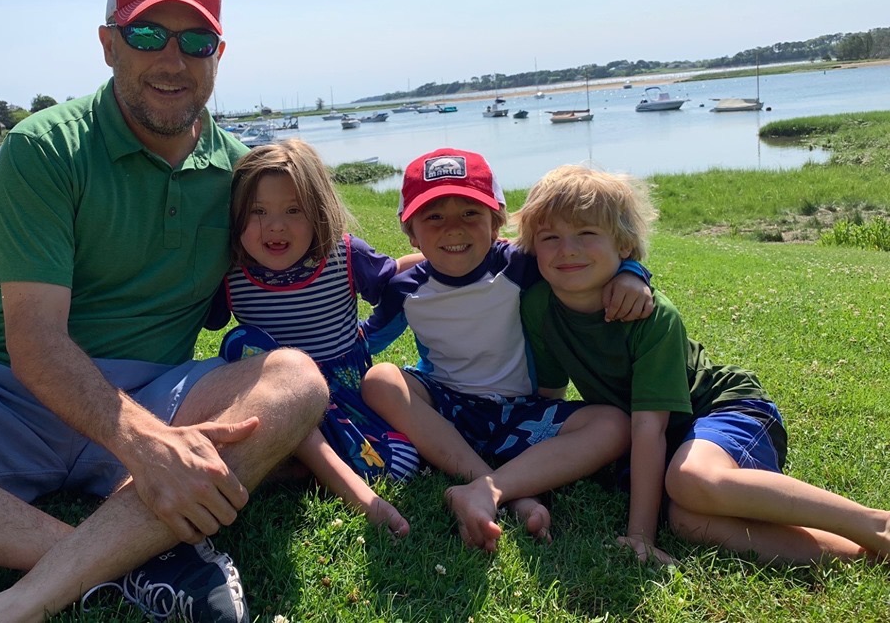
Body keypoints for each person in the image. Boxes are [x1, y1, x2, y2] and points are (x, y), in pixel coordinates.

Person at [0, 0, 328, 622]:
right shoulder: (44, 147)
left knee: (296, 382)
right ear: (109, 43)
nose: (173, 60)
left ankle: (10, 607)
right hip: (6, 388)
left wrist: (424, 267)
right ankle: (134, 557)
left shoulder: (240, 175)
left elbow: (313, 246)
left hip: (158, 388)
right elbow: (33, 344)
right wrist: (147, 447)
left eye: (196, 39)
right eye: (148, 34)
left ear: (218, 54)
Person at [516, 164, 890, 565]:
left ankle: (877, 525)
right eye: (549, 237)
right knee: (685, 520)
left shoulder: (651, 315)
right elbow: (549, 400)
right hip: (674, 439)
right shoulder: (538, 307)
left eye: (586, 234)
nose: (566, 249)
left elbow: (648, 426)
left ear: (624, 245)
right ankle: (859, 557)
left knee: (690, 479)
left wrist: (640, 536)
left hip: (726, 408)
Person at [360, 147, 654, 553]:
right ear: (411, 231)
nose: (453, 229)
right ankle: (507, 492)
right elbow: (362, 342)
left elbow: (582, 261)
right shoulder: (404, 289)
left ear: (497, 221)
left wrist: (632, 273)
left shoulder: (520, 265)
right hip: (447, 411)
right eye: (434, 217)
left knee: (614, 425)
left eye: (470, 214)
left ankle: (486, 488)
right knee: (380, 379)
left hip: (523, 414)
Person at [206, 139, 419, 536]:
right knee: (240, 342)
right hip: (274, 400)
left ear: (319, 211)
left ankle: (306, 468)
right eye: (257, 212)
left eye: (293, 210)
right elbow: (203, 316)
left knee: (400, 463)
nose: (275, 226)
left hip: (339, 393)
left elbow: (396, 288)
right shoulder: (231, 274)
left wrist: (369, 338)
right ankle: (325, 473)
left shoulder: (344, 255)